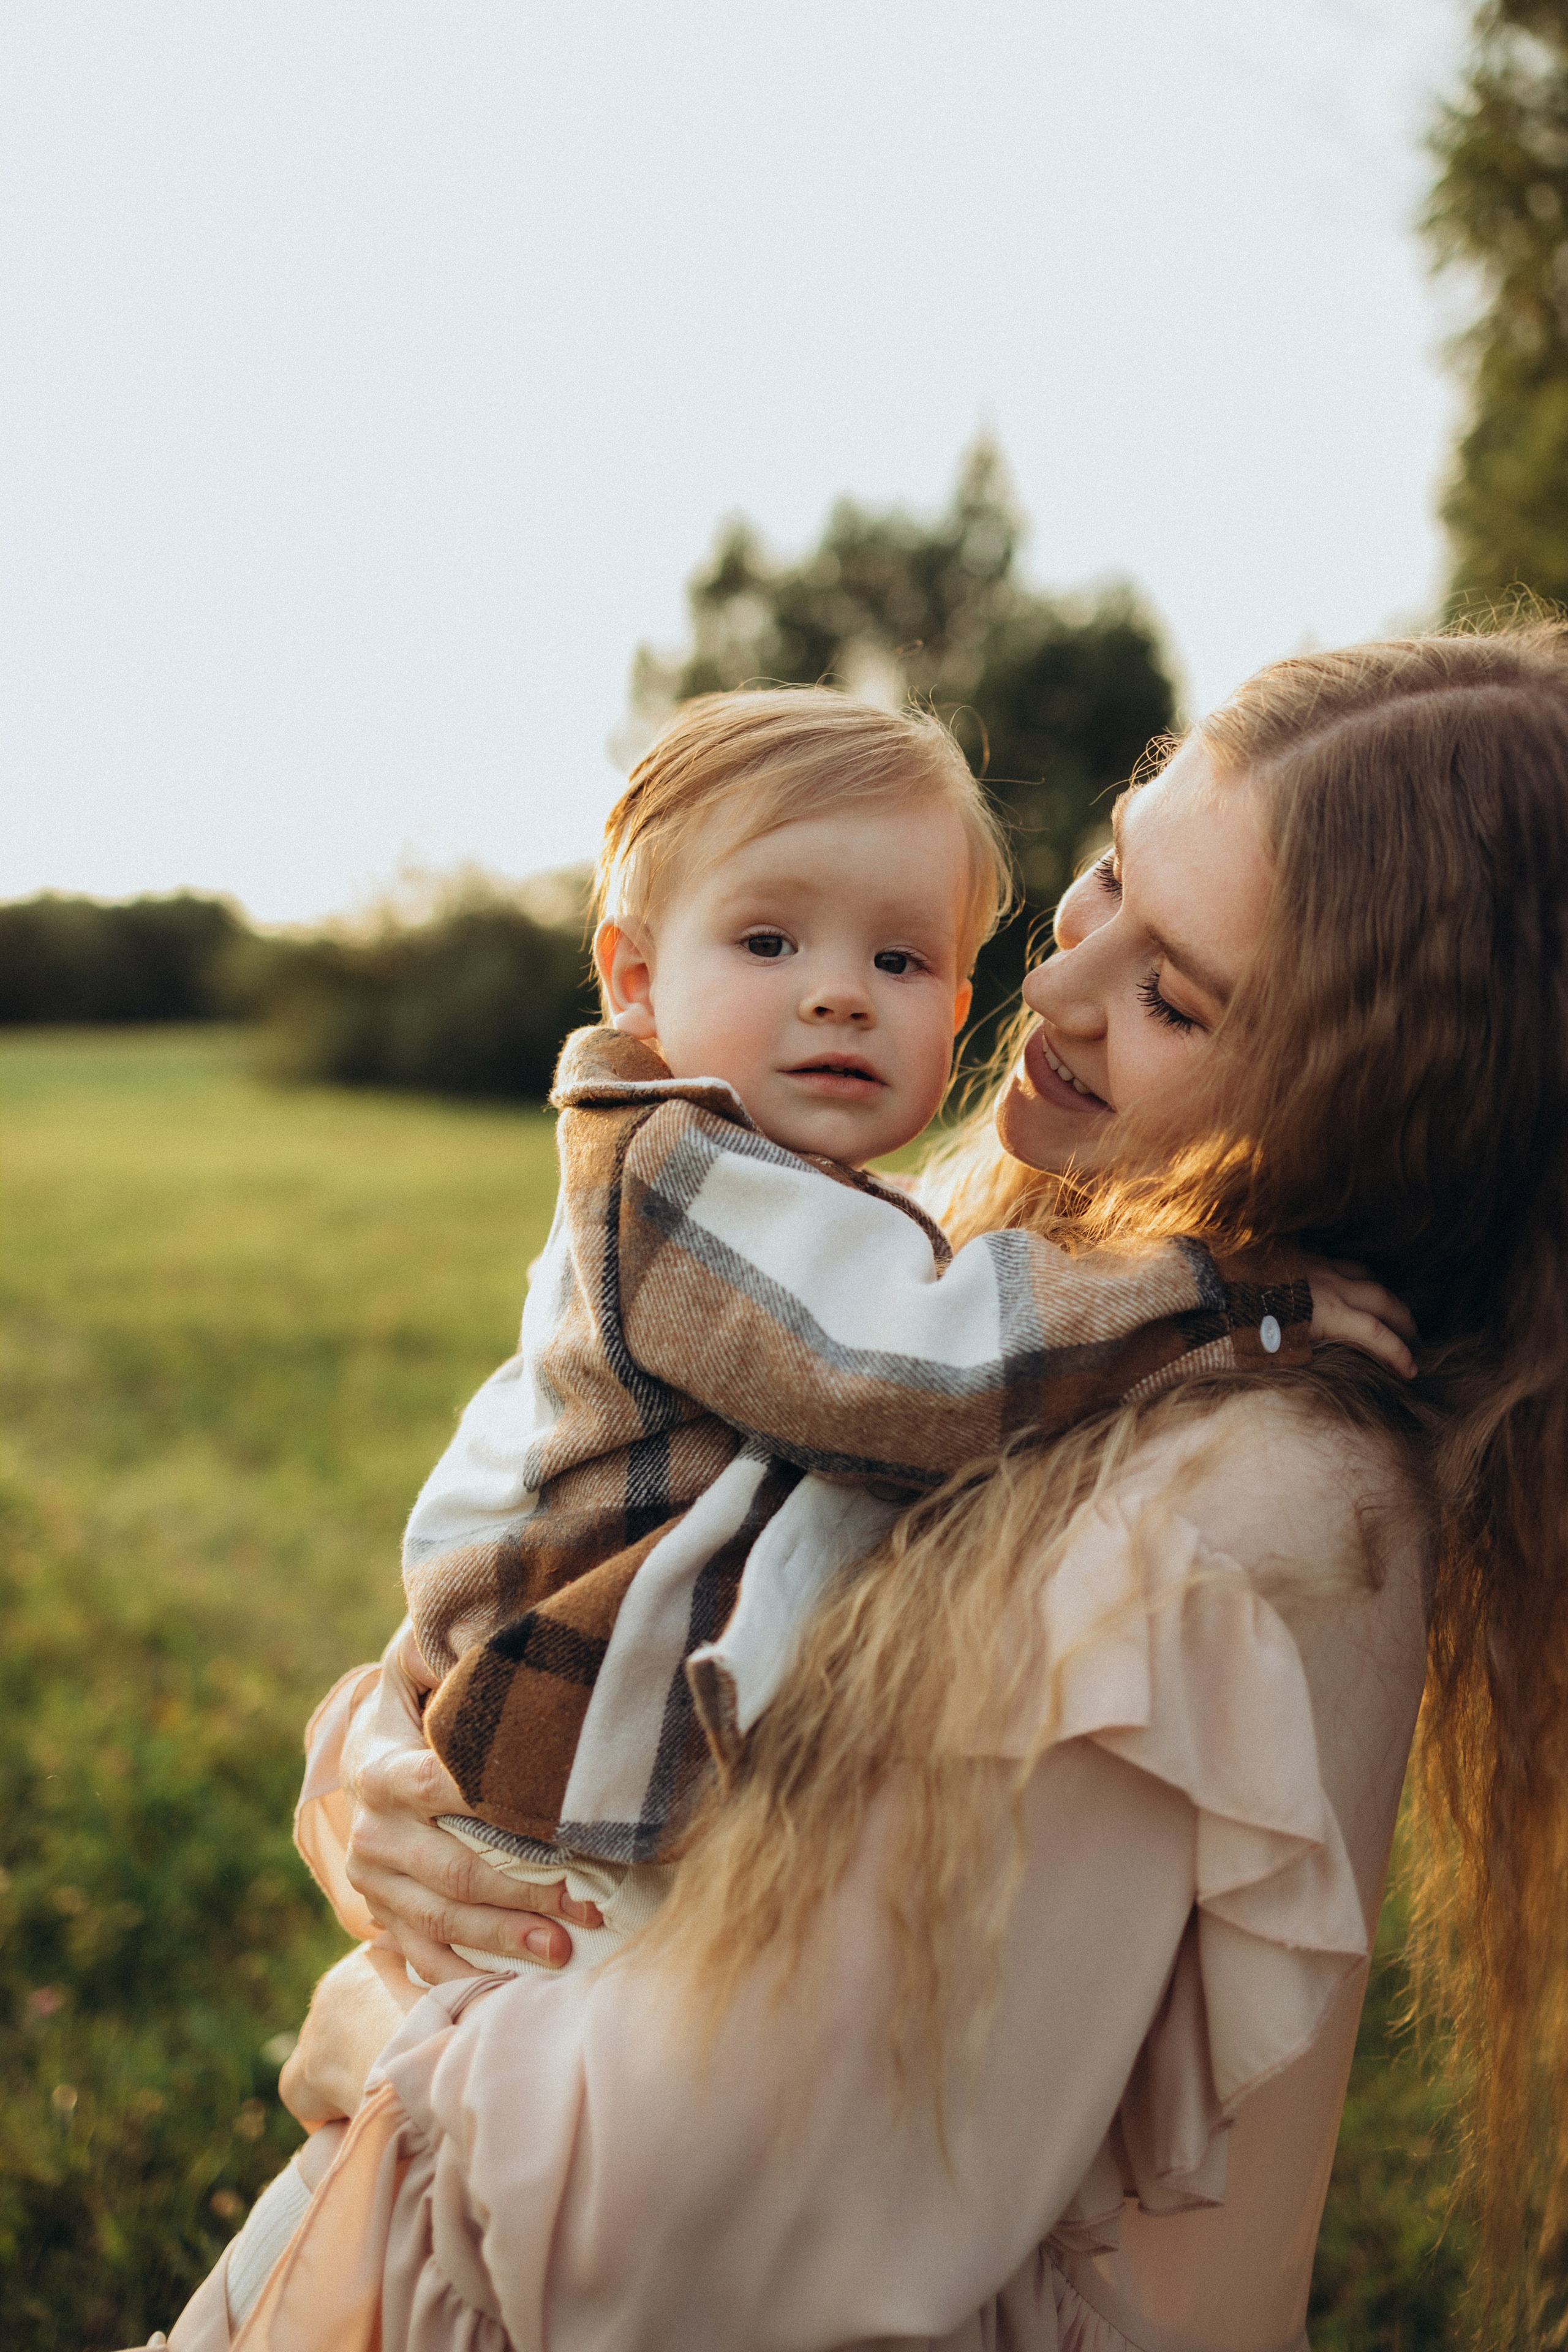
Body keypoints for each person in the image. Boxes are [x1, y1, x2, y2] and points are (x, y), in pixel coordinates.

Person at [166, 628, 1568, 2349]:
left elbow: (712, 2223)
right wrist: (363, 1764)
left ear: (1371, 1113)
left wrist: (386, 2035)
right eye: (1106, 879)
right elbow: (560, 1540)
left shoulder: (1246, 1510)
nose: (1047, 993)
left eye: (1173, 994)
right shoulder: (980, 1257)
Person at [398, 689, 1387, 1973]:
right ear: (634, 978)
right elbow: (905, 1371)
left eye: (898, 961)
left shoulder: (817, 1200)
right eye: (767, 942)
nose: (837, 998)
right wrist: (1230, 1300)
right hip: (570, 1801)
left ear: (955, 995)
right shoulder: (672, 1168)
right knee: (555, 2116)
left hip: (604, 1780)